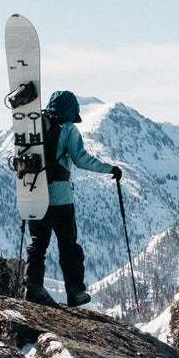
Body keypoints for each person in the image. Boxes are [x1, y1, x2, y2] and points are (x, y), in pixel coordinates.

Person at [25, 90, 122, 306]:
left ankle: (32, 287)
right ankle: (75, 292)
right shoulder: (68, 129)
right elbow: (81, 159)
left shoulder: (34, 127)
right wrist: (110, 169)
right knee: (68, 245)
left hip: (33, 192)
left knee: (38, 243)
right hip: (60, 197)